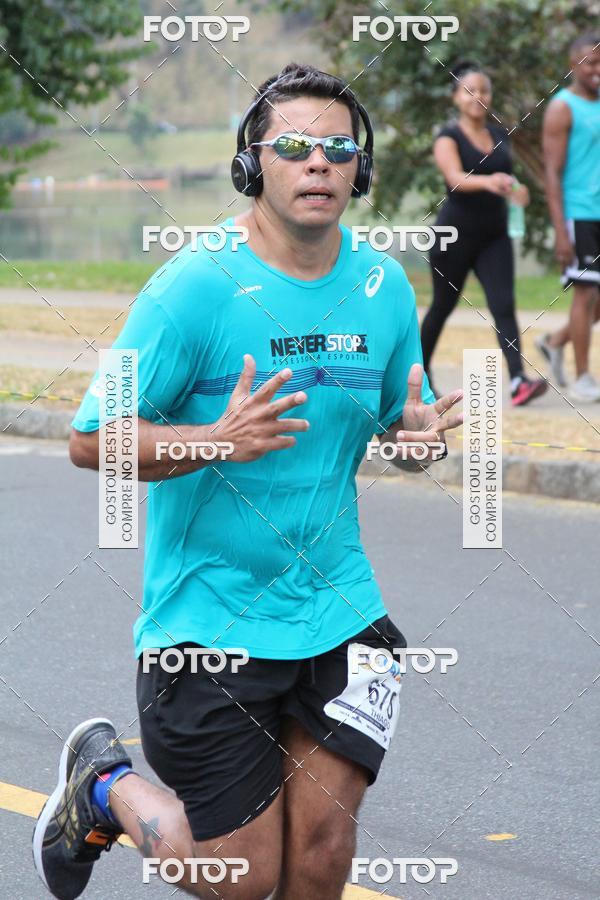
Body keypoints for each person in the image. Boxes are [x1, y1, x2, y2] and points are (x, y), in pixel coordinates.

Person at [33, 63, 463, 900]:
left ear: (360, 170)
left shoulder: (382, 288)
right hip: (207, 621)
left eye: (339, 149)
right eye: (295, 147)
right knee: (242, 876)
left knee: (324, 853)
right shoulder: (192, 288)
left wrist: (416, 441)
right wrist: (215, 441)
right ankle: (101, 785)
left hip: (338, 606)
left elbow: (393, 421)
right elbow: (90, 440)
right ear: (253, 163)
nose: (319, 164)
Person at [420, 60, 547, 407]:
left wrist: (517, 190)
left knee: (504, 305)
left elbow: (507, 177)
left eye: (484, 90)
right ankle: (417, 374)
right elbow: (455, 178)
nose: (478, 96)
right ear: (455, 96)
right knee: (441, 307)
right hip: (453, 236)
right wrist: (490, 182)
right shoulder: (448, 136)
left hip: (494, 236)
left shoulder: (500, 134)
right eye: (469, 90)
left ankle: (519, 380)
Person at [538, 33, 600, 401]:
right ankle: (583, 378)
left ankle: (555, 341)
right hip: (580, 214)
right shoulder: (562, 108)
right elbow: (551, 173)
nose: (597, 70)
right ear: (573, 65)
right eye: (591, 63)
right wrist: (561, 230)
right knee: (586, 293)